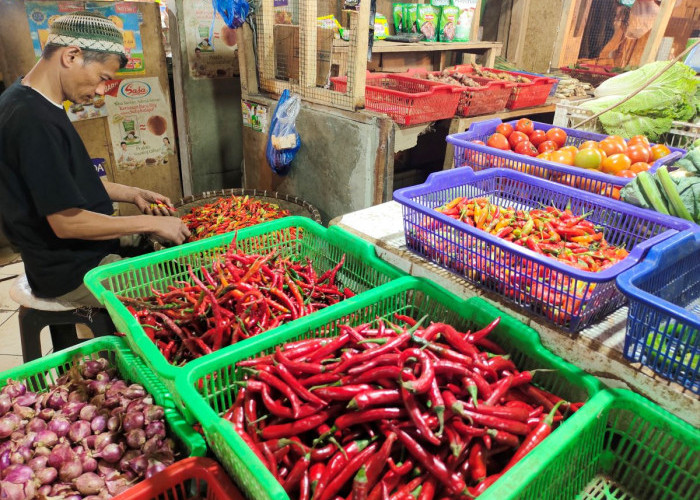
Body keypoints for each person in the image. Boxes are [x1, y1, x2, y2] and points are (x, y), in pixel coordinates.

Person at [0, 11, 191, 308]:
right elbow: (67, 224)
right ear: (72, 56)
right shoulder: (32, 121)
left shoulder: (27, 99)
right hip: (73, 270)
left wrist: (132, 193)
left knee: (179, 246)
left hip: (80, 250)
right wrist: (144, 224)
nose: (102, 91)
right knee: (189, 293)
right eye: (103, 79)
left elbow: (64, 183)